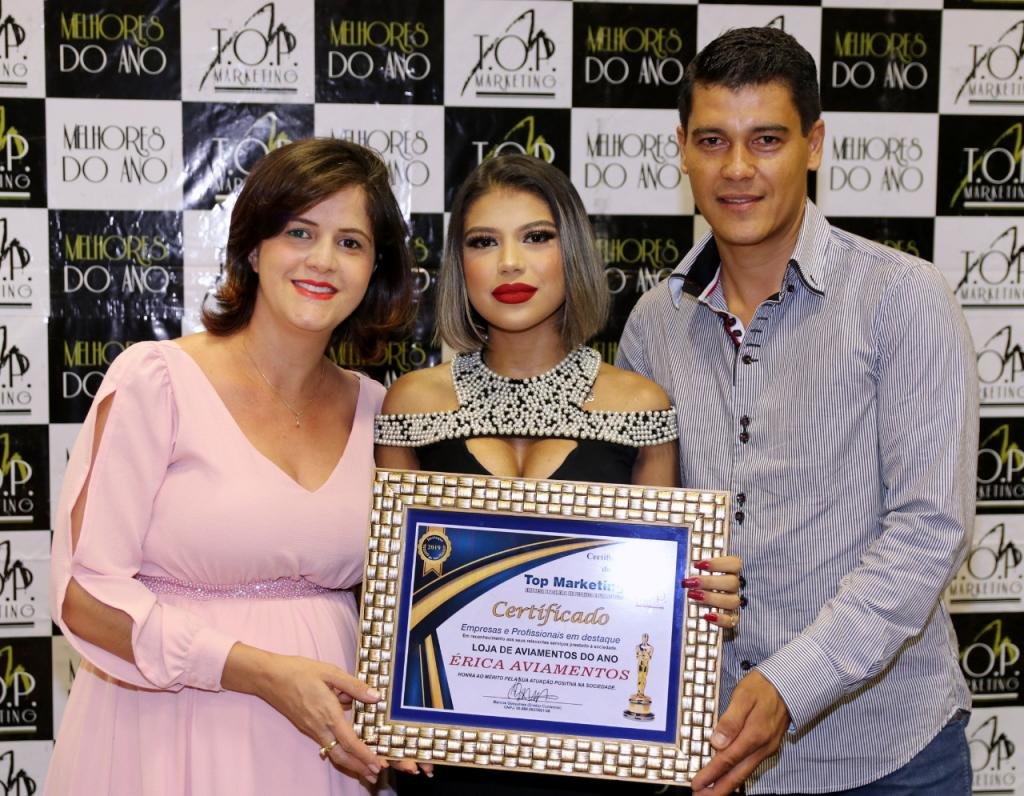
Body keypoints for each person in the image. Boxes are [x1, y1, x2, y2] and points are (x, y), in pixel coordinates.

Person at [617, 27, 978, 796]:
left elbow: (928, 530)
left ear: (813, 145)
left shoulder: (902, 300)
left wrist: (792, 682)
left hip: (889, 759)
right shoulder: (652, 325)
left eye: (766, 140)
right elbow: (642, 533)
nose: (736, 168)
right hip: (712, 752)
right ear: (681, 149)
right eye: (712, 140)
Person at [46, 138, 421, 795]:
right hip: (171, 733)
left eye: (351, 242)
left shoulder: (380, 410)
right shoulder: (157, 380)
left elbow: (404, 599)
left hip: (325, 751)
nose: (323, 260)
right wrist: (258, 672)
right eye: (299, 232)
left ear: (374, 270)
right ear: (253, 248)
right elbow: (85, 595)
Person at [375, 153, 742, 795]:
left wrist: (705, 599)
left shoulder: (639, 406)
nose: (509, 263)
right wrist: (391, 710)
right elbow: (390, 595)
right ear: (460, 264)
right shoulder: (411, 404)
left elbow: (656, 605)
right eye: (483, 242)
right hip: (450, 759)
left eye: (536, 237)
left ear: (570, 252)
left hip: (597, 764)